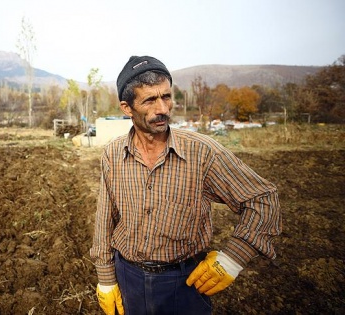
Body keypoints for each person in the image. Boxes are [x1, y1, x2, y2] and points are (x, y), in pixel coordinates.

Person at [89, 56, 282, 315]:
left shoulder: (202, 153)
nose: (163, 109)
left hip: (184, 282)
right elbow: (105, 218)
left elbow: (263, 200)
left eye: (166, 97)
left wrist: (232, 258)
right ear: (127, 107)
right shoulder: (113, 154)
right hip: (129, 278)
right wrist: (105, 278)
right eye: (150, 100)